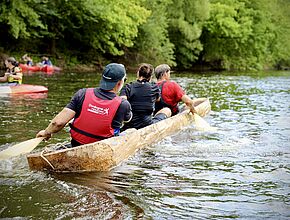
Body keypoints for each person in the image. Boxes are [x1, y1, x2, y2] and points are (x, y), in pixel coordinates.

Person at [36, 63, 132, 147]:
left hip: (76, 143)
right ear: (120, 83)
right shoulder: (123, 104)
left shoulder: (82, 93)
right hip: (102, 148)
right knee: (130, 131)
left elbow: (58, 123)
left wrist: (46, 132)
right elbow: (128, 119)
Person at [120, 63, 171, 130]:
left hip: (130, 125)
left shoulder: (128, 87)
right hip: (147, 125)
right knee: (167, 110)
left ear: (138, 73)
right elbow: (158, 99)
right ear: (150, 77)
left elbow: (122, 103)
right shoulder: (154, 87)